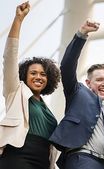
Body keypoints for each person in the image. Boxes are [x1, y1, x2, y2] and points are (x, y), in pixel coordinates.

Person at [0, 2, 61, 169]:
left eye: (43, 74)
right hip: (18, 155)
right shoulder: (15, 91)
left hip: (42, 160)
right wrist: (18, 20)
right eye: (33, 73)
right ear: (24, 76)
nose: (38, 77)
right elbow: (10, 56)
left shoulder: (47, 110)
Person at [49, 19, 104, 169]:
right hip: (82, 159)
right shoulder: (78, 92)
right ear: (88, 83)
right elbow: (67, 66)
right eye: (99, 80)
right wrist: (81, 35)